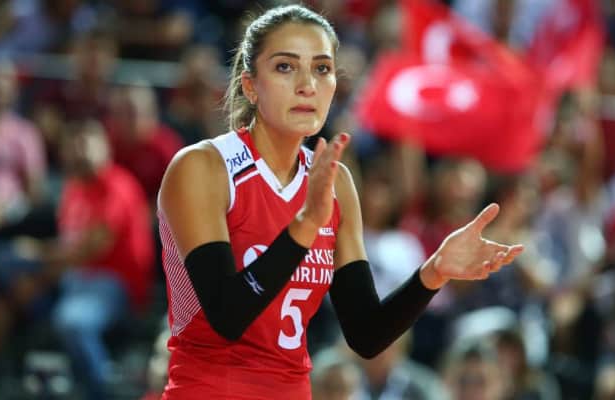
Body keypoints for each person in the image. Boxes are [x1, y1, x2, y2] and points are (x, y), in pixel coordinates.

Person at [157, 5, 524, 399]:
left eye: (321, 68)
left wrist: (434, 271)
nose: (307, 85)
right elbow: (227, 316)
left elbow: (366, 334)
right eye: (285, 67)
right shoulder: (203, 167)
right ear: (250, 85)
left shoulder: (336, 182)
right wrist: (305, 225)